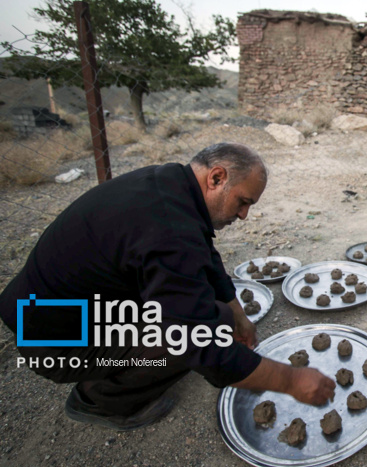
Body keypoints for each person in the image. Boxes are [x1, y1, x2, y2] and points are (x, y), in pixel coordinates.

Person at [0, 143, 336, 431]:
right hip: (53, 342)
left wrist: (237, 312)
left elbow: (202, 251)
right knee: (199, 335)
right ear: (216, 178)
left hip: (65, 312)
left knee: (219, 318)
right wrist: (291, 381)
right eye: (243, 201)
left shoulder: (168, 186)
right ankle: (99, 400)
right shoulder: (168, 229)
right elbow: (200, 346)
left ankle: (120, 370)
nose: (245, 214)